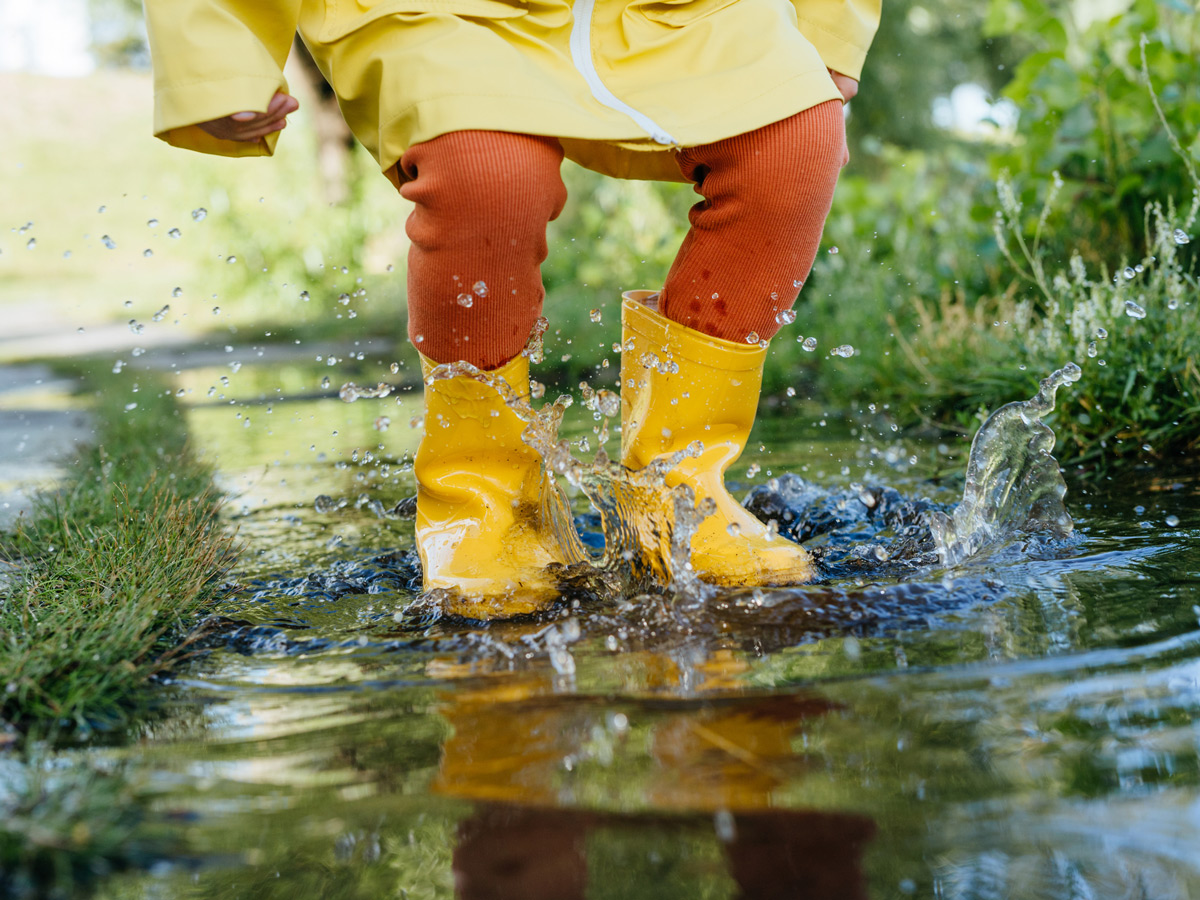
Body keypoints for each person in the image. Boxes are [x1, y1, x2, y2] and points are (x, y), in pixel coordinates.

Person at [144, 0, 879, 615]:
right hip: (443, 13)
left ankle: (678, 494)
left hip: (677, 10)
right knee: (485, 174)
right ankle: (486, 505)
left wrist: (827, 25)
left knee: (794, 143)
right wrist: (218, 60)